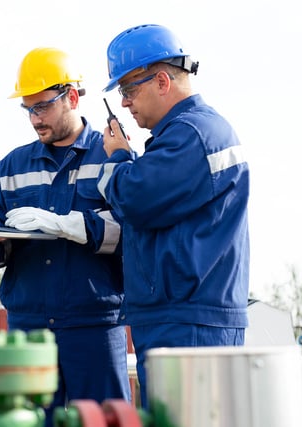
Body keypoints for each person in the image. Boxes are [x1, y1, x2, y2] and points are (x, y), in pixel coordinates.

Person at [0, 46, 131, 424]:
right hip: (28, 327)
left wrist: (66, 225)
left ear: (73, 97)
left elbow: (132, 231)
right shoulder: (11, 167)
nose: (34, 119)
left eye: (42, 106)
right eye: (28, 109)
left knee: (105, 420)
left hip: (93, 325)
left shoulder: (112, 157)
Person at [97, 24, 250, 407]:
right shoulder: (191, 133)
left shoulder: (191, 135)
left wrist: (118, 158)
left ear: (162, 80)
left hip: (188, 318)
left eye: (129, 89)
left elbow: (134, 199)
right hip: (182, 314)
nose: (125, 103)